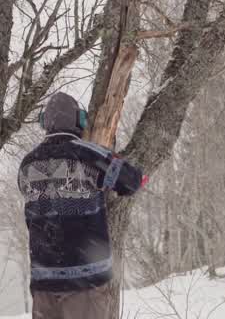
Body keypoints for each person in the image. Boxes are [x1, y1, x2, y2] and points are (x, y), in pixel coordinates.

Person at [18, 92, 145, 318]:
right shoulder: (86, 155)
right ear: (80, 121)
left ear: (45, 122)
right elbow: (130, 181)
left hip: (43, 283)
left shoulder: (27, 164)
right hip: (85, 285)